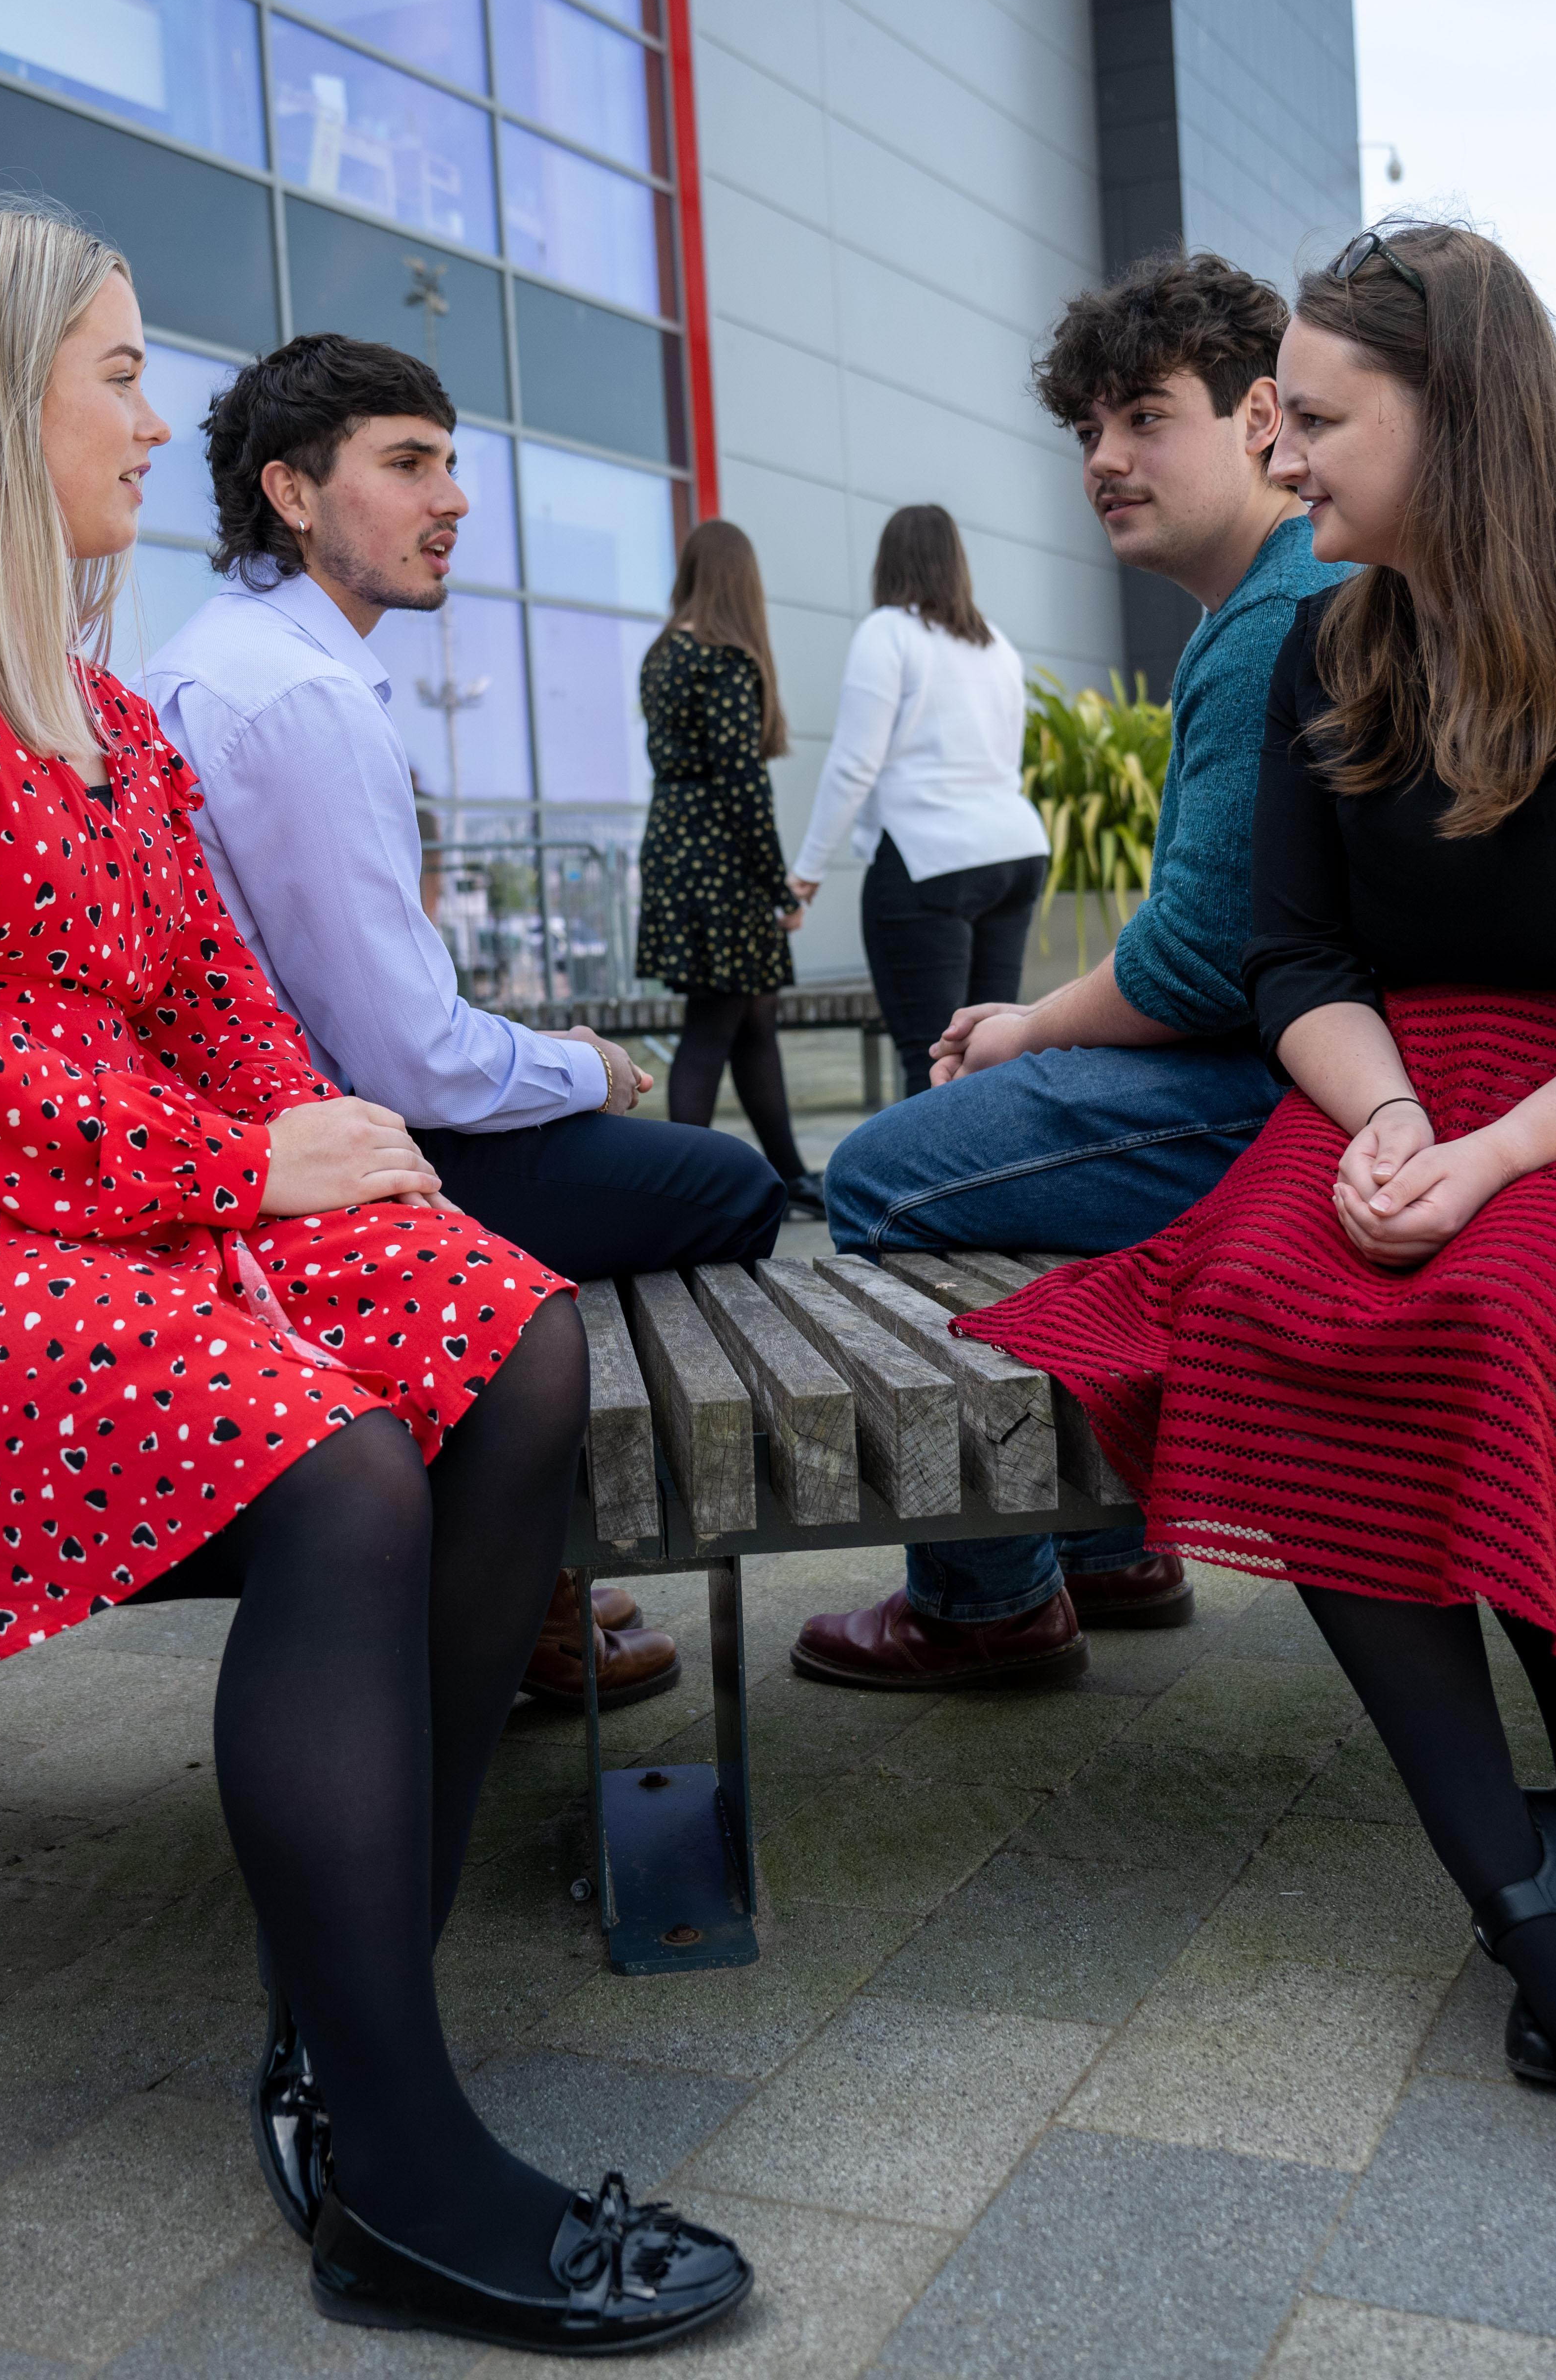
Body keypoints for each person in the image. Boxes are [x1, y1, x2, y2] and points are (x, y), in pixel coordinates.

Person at [0, 205, 748, 2348]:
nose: (157, 422)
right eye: (121, 373)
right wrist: (243, 1159)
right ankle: (403, 2173)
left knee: (504, 1329)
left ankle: (364, 2015)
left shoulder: (94, 705)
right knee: (338, 1465)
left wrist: (352, 1175)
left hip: (77, 1194)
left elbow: (217, 999)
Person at [960, 222, 1556, 2155]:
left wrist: (1490, 1156)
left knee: (1523, 1307)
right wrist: (1388, 1117)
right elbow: (1296, 962)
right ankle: (1531, 1896)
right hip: (1403, 1081)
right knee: (1264, 1306)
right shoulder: (1328, 640)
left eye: (1310, 418)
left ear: (1452, 416)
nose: (1278, 454)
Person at [141, 335, 788, 1703]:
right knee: (728, 1188)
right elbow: (412, 1061)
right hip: (336, 1162)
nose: (455, 500)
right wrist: (591, 1066)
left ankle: (522, 1564)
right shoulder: (299, 697)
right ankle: (517, 1565)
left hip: (279, 1138)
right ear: (295, 493)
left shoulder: (219, 659)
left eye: (450, 462)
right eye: (409, 463)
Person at [791, 252, 1342, 1695]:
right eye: (1087, 430)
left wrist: (1035, 1030)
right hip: (1304, 1072)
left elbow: (1205, 960)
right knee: (993, 1148)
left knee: (883, 1176)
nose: (1103, 459)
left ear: (1260, 419)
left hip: (1288, 1093)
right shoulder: (1264, 596)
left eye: (1144, 419)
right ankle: (1106, 1546)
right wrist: (1041, 1035)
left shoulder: (1280, 612)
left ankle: (987, 1593)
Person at [784, 503, 1051, 1098]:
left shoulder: (888, 632)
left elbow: (854, 764)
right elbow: (1008, 760)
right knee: (991, 1054)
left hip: (930, 860)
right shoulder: (997, 645)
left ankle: (930, 1192)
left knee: (932, 1060)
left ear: (889, 563)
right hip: (1014, 853)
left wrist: (806, 872)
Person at [638, 520, 817, 1215]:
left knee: (752, 1020)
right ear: (742, 584)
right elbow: (743, 784)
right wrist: (781, 887)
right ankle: (682, 1192)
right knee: (714, 1024)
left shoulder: (663, 653)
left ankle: (792, 1174)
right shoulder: (725, 658)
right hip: (723, 862)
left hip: (678, 849)